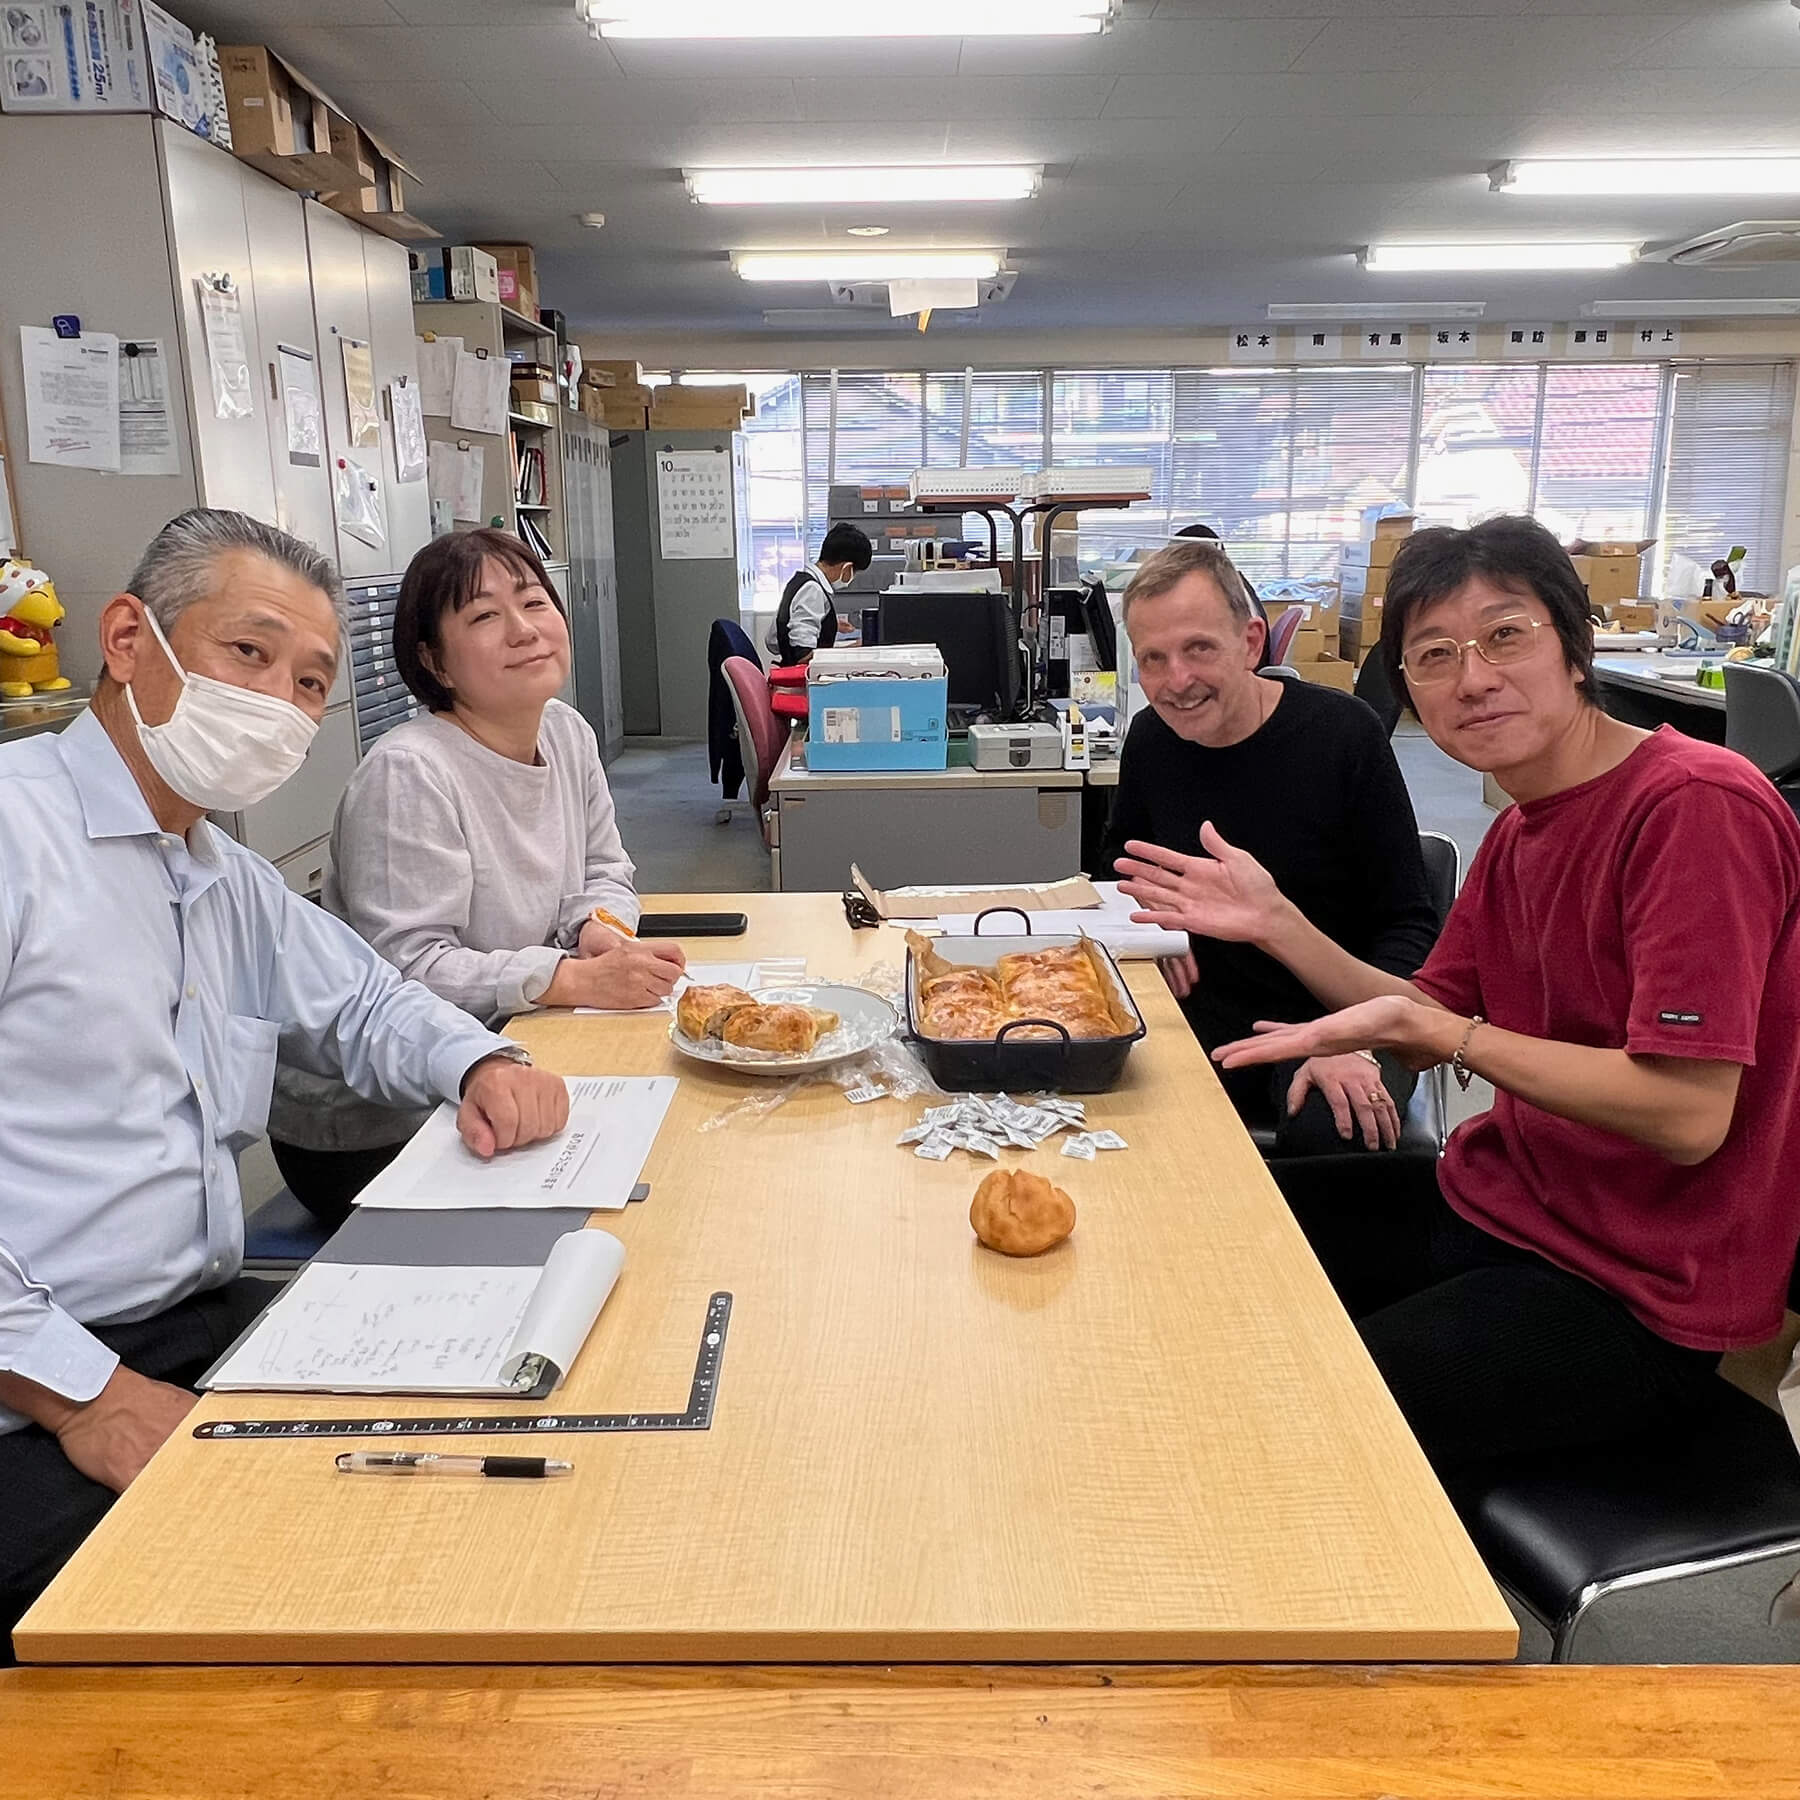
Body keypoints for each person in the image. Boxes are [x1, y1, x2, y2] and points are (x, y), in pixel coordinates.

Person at [1118, 515, 1800, 1479]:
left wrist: (1450, 1033)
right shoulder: (1524, 831)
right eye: (1434, 655)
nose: (1471, 678)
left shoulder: (1694, 807)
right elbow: (1414, 1009)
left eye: (1506, 635)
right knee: (1195, 1259)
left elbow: (1687, 1114)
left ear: (1575, 642)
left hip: (1636, 1292)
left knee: (1286, 1405)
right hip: (1499, 1209)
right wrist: (1278, 924)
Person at [0, 509, 572, 1649]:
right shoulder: (18, 838)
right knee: (229, 1639)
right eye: (248, 654)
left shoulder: (217, 869)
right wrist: (86, 1396)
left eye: (310, 683)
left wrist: (479, 1056)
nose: (278, 704)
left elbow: (362, 1000)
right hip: (35, 1385)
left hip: (193, 1329)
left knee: (476, 1500)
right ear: (126, 639)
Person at [270, 528, 684, 1225]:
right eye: (485, 617)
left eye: (533, 603)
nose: (524, 631)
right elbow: (403, 971)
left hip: (510, 1050)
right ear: (435, 661)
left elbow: (607, 867)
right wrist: (563, 977)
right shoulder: (410, 773)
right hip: (377, 1123)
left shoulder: (566, 732)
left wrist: (599, 931)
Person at [1101, 536, 1438, 1155]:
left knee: (1337, 1124)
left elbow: (1408, 923)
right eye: (1153, 659)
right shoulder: (1152, 739)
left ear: (1252, 642)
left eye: (1199, 649)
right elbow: (1111, 874)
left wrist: (1349, 1037)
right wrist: (1152, 929)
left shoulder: (1341, 736)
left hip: (1331, 1016)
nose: (1177, 681)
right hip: (1197, 1017)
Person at [765, 523, 872, 665]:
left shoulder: (800, 580)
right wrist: (851, 650)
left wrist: (829, 625)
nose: (852, 577)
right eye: (855, 572)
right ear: (847, 567)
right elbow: (803, 655)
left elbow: (773, 639)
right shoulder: (812, 590)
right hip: (802, 680)